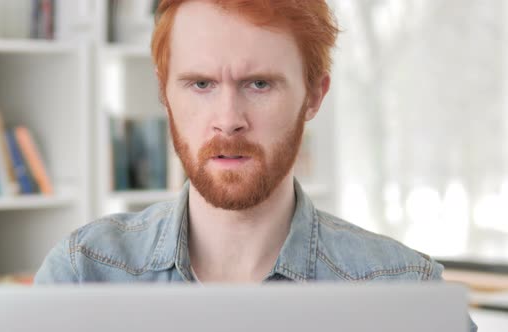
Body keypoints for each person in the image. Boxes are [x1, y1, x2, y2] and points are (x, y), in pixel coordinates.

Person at [36, 1, 476, 330]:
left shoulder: (405, 295)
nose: (228, 120)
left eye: (259, 84)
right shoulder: (83, 273)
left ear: (314, 96)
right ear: (164, 93)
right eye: (201, 84)